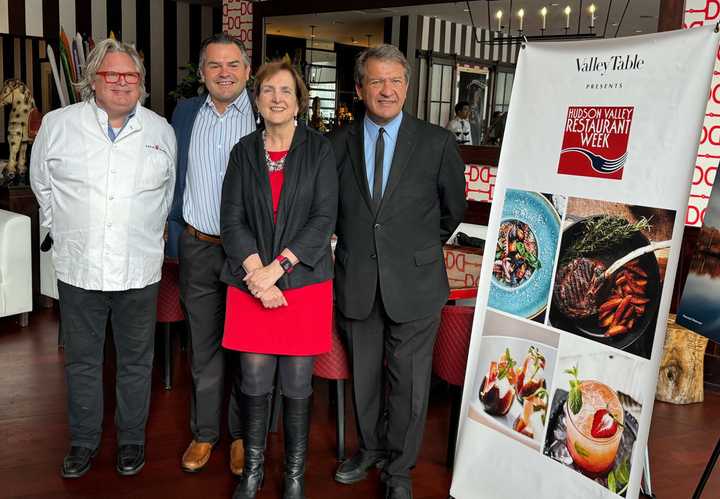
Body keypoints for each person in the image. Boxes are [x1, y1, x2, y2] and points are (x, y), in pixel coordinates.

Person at [30, 38, 176, 478]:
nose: (121, 83)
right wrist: (67, 231)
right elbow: (43, 188)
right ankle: (83, 441)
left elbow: (166, 198)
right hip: (79, 267)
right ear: (92, 80)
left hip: (139, 269)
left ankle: (131, 440)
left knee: (135, 360)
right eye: (111, 74)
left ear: (141, 83)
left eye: (130, 75)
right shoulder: (58, 125)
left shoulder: (159, 130)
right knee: (82, 360)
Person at [329, 44, 466, 499]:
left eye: (395, 81)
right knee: (364, 375)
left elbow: (452, 211)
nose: (386, 90)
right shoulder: (336, 144)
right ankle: (370, 448)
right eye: (376, 81)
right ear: (359, 88)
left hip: (416, 281)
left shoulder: (436, 142)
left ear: (407, 87)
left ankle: (399, 471)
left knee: (408, 382)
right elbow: (330, 211)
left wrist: (414, 250)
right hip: (357, 280)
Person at [220, 60, 338, 499]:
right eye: (267, 90)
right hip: (251, 282)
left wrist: (277, 270)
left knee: (296, 382)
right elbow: (231, 220)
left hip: (303, 284)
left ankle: (293, 476)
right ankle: (252, 471)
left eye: (285, 90)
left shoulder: (320, 150)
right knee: (252, 379)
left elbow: (323, 217)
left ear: (299, 101)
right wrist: (256, 273)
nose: (276, 97)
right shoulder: (243, 151)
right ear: (256, 100)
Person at [166, 33, 256, 475]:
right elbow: (168, 174)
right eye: (215, 66)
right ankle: (205, 433)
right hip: (198, 245)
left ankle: (242, 436)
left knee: (245, 349)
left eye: (233, 64)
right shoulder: (183, 115)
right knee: (202, 348)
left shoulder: (265, 114)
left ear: (247, 70)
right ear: (201, 74)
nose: (225, 73)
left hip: (251, 257)